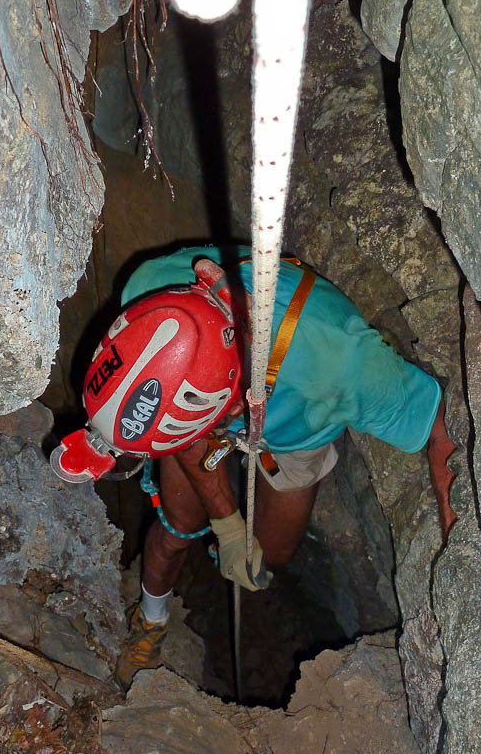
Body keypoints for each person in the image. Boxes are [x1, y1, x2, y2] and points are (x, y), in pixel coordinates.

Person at [113, 245, 456, 690]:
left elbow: (435, 420)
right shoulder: (149, 299)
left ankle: (226, 556)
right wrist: (228, 525)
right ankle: (152, 618)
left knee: (271, 553)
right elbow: (176, 425)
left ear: (237, 400)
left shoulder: (342, 367)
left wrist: (453, 533)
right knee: (178, 526)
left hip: (299, 421)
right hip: (202, 406)